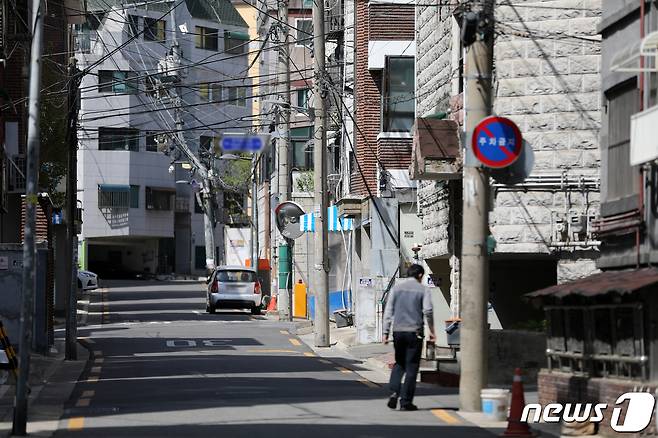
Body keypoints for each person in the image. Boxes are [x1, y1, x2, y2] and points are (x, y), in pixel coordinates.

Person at [382, 264, 435, 411]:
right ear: (419, 275)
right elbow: (428, 310)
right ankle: (406, 402)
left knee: (399, 362)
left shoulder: (396, 289)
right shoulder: (423, 290)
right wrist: (432, 330)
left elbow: (388, 312)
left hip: (398, 332)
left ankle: (394, 391)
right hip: (414, 333)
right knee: (411, 367)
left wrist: (385, 333)